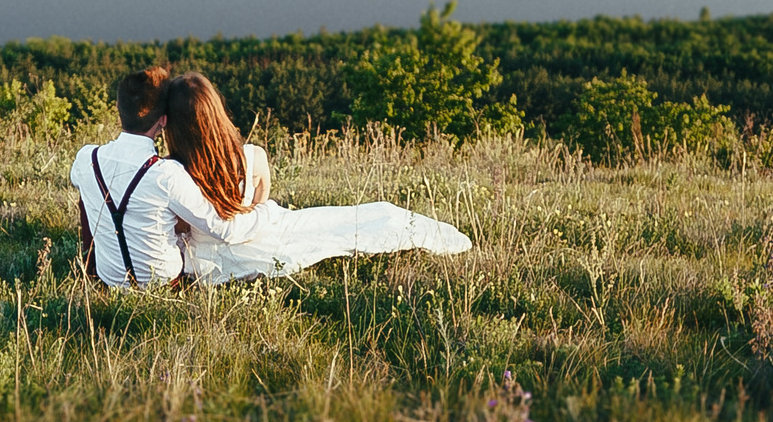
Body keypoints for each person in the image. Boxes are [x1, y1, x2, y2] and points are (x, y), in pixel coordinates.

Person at [158, 70, 472, 285]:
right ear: (217, 112)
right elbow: (259, 202)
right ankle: (410, 227)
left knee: (330, 230)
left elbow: (182, 227)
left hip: (210, 260)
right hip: (261, 229)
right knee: (339, 224)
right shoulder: (253, 158)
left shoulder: (174, 174)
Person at [70, 65, 277, 290]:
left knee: (89, 191)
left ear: (119, 108)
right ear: (163, 120)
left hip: (108, 278)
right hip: (162, 284)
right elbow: (224, 229)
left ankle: (90, 267)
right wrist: (269, 211)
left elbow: (85, 191)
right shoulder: (167, 174)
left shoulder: (86, 158)